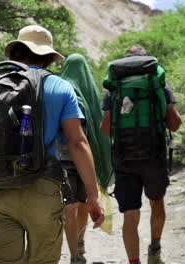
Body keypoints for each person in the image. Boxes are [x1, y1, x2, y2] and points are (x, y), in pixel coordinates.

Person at [0, 25, 104, 264]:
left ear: (16, 52)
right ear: (48, 56)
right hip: (42, 188)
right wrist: (92, 195)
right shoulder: (60, 87)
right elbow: (77, 143)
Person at [100, 45, 182, 264]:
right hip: (154, 155)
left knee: (130, 214)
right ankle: (154, 251)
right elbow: (174, 124)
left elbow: (106, 129)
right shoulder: (158, 85)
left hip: (125, 158)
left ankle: (134, 262)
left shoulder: (114, 89)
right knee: (157, 202)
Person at [58, 54, 113, 264]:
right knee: (83, 202)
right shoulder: (87, 94)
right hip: (82, 158)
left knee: (69, 207)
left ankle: (75, 253)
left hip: (61, 158)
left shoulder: (61, 88)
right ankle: (80, 243)